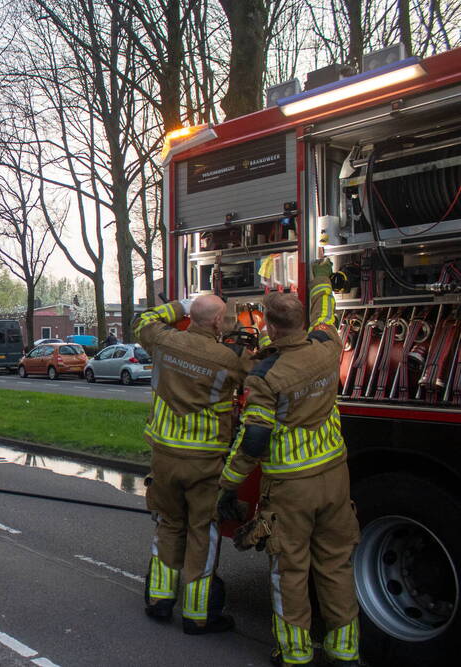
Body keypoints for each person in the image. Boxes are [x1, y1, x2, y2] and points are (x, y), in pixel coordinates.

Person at [217, 259, 359, 667]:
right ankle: (345, 650)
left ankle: (296, 654)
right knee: (335, 564)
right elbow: (327, 309)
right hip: (335, 478)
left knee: (290, 571)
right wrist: (318, 278)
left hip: (291, 489)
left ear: (271, 328)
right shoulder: (328, 345)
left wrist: (228, 485)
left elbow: (253, 441)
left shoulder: (266, 376)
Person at [133, 293, 252, 634]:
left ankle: (159, 601)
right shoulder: (228, 357)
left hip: (165, 456)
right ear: (217, 322)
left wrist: (181, 307)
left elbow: (142, 321)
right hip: (204, 462)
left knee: (169, 525)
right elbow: (264, 375)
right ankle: (199, 615)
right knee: (203, 531)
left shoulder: (164, 341)